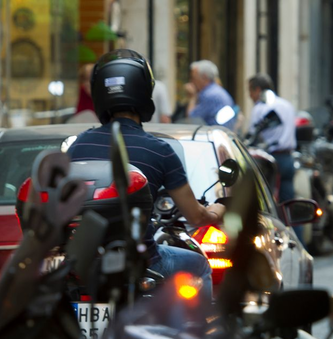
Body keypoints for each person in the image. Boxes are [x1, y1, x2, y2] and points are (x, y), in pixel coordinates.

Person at [68, 49, 225, 300]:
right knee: (199, 265)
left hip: (85, 261)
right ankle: (197, 337)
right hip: (142, 262)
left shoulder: (79, 144)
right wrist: (219, 209)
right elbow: (195, 215)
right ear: (144, 93)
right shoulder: (159, 150)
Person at [247, 73, 297, 203]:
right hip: (287, 158)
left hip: (269, 161)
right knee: (287, 203)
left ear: (257, 90)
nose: (249, 96)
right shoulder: (287, 105)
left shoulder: (259, 108)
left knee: (267, 203)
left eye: (250, 91)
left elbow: (253, 136)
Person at [184, 60, 237, 130]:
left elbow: (192, 119)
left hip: (215, 136)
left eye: (194, 78)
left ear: (204, 77)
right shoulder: (218, 91)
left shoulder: (209, 95)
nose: (191, 81)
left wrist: (192, 97)